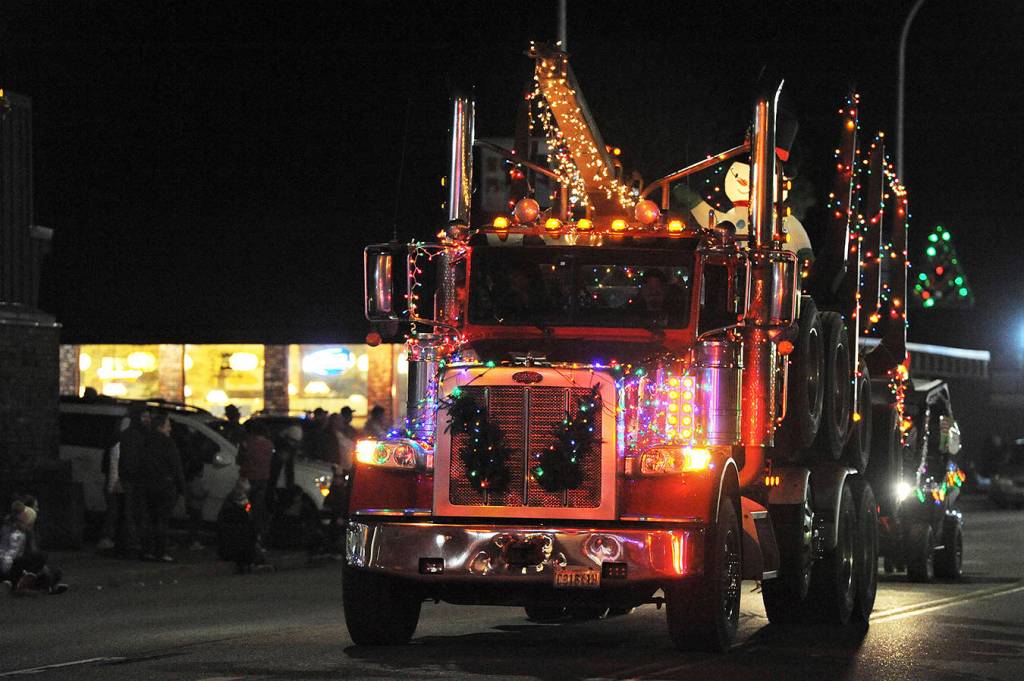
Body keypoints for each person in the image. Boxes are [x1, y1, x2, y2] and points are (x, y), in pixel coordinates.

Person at [137, 412, 185, 562]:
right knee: (162, 520)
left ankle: (148, 550)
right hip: (165, 486)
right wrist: (182, 487)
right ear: (160, 427)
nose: (170, 429)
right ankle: (161, 551)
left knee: (150, 519)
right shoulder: (167, 443)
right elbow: (176, 466)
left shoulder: (146, 441)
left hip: (148, 485)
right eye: (168, 425)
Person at [1, 499, 67, 595]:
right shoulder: (16, 530)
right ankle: (23, 586)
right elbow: (18, 553)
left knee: (55, 572)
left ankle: (37, 587)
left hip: (20, 566)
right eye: (35, 507)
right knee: (41, 559)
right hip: (13, 566)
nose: (37, 510)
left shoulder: (24, 529)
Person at [116, 406, 149, 559]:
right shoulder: (132, 436)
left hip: (135, 479)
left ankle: (132, 542)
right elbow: (129, 460)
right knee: (131, 512)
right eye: (144, 417)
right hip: (133, 480)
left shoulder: (141, 434)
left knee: (133, 512)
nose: (147, 420)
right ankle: (131, 543)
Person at [216, 479, 260, 574]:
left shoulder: (240, 500)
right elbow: (247, 512)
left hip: (235, 527)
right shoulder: (236, 500)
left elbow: (248, 511)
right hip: (233, 527)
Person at [239, 422, 273, 541]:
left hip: (247, 478)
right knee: (258, 506)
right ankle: (258, 533)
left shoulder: (246, 443)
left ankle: (245, 530)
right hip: (263, 478)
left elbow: (239, 460)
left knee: (243, 505)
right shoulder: (269, 444)